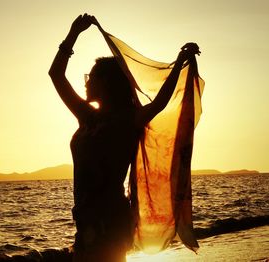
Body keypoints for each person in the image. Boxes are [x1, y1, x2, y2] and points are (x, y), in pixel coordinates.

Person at [49, 14, 200, 262]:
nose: (86, 84)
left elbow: (161, 102)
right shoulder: (86, 116)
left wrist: (180, 63)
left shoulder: (128, 119)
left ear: (107, 83)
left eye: (91, 77)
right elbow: (56, 75)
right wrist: (73, 34)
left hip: (110, 222)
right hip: (85, 221)